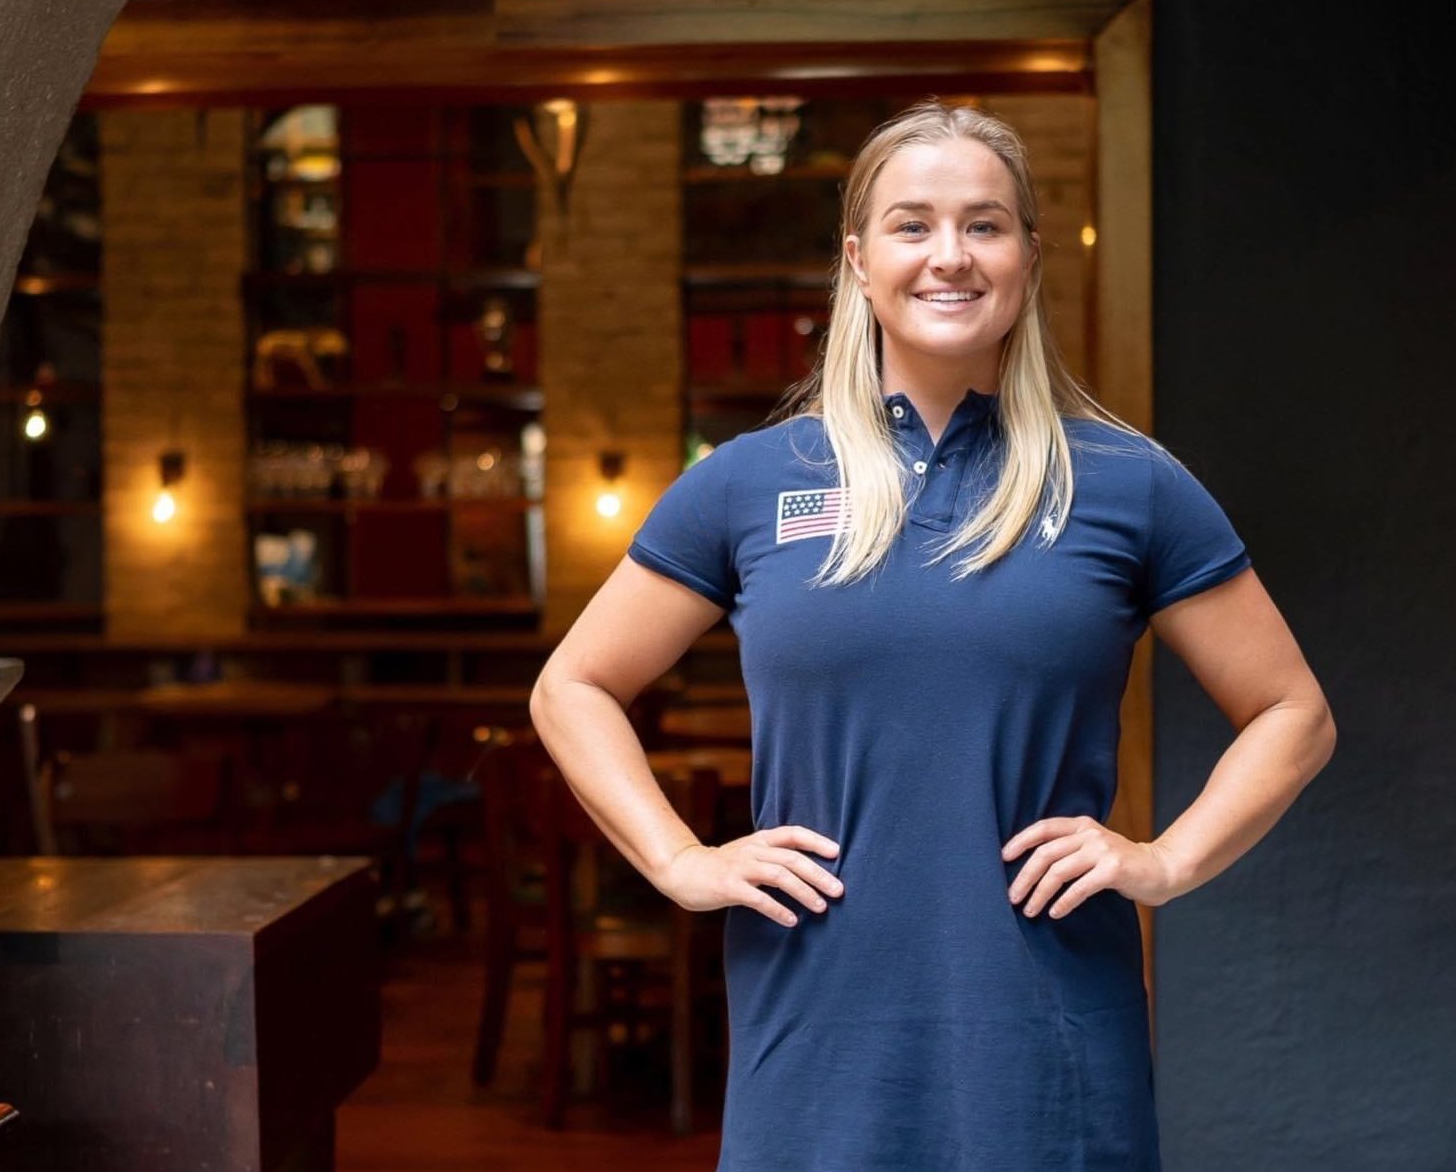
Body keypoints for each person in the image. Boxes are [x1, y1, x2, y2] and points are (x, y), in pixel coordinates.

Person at [529, 99, 1336, 1169]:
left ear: (1028, 256)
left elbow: (1294, 713)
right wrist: (680, 858)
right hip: (813, 1025)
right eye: (913, 224)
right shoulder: (750, 481)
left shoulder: (1129, 484)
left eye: (984, 224)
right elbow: (572, 685)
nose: (949, 255)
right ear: (860, 260)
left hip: (1047, 1035)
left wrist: (1166, 859)